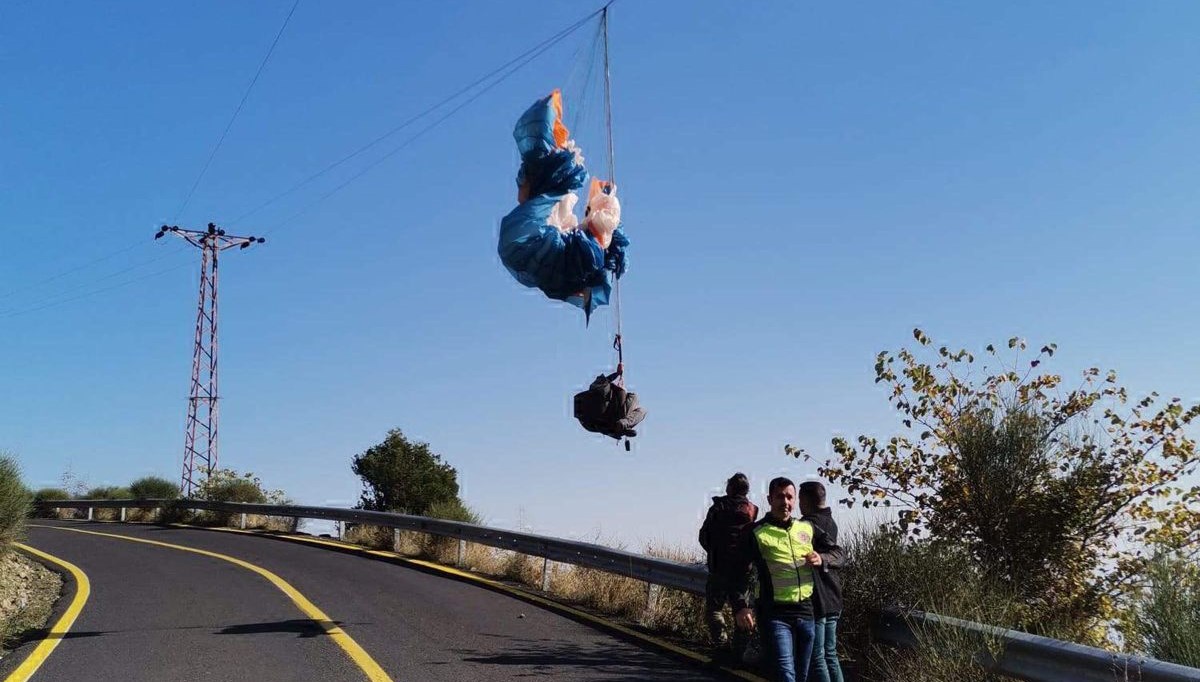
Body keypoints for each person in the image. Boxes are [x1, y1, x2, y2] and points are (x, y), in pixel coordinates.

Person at [732, 477, 844, 682]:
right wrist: (741, 605)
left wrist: (822, 558)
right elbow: (738, 571)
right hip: (775, 614)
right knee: (786, 673)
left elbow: (839, 553)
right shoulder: (756, 532)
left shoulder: (806, 528)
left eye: (789, 497)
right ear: (770, 499)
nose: (785, 502)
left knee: (802, 675)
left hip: (806, 612)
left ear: (795, 501)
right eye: (780, 497)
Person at [699, 472, 760, 662]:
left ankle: (722, 646)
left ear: (730, 488)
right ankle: (739, 651)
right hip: (743, 570)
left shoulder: (718, 507)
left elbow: (704, 535)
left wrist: (714, 553)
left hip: (719, 568)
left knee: (714, 610)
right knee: (742, 611)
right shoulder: (753, 510)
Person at [799, 481, 844, 682]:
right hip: (833, 596)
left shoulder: (807, 525)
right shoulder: (830, 522)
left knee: (817, 657)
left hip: (817, 597)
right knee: (830, 654)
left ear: (805, 500)